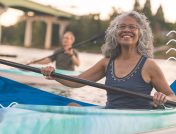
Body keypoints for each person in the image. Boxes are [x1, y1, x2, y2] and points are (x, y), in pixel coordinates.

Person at [40, 11, 176, 109]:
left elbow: (172, 96)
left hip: (136, 120)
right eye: (121, 26)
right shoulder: (107, 62)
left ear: (141, 33)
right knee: (71, 107)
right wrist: (54, 74)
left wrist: (164, 98)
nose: (126, 30)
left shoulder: (149, 65)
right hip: (109, 116)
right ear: (114, 33)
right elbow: (76, 82)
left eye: (132, 27)